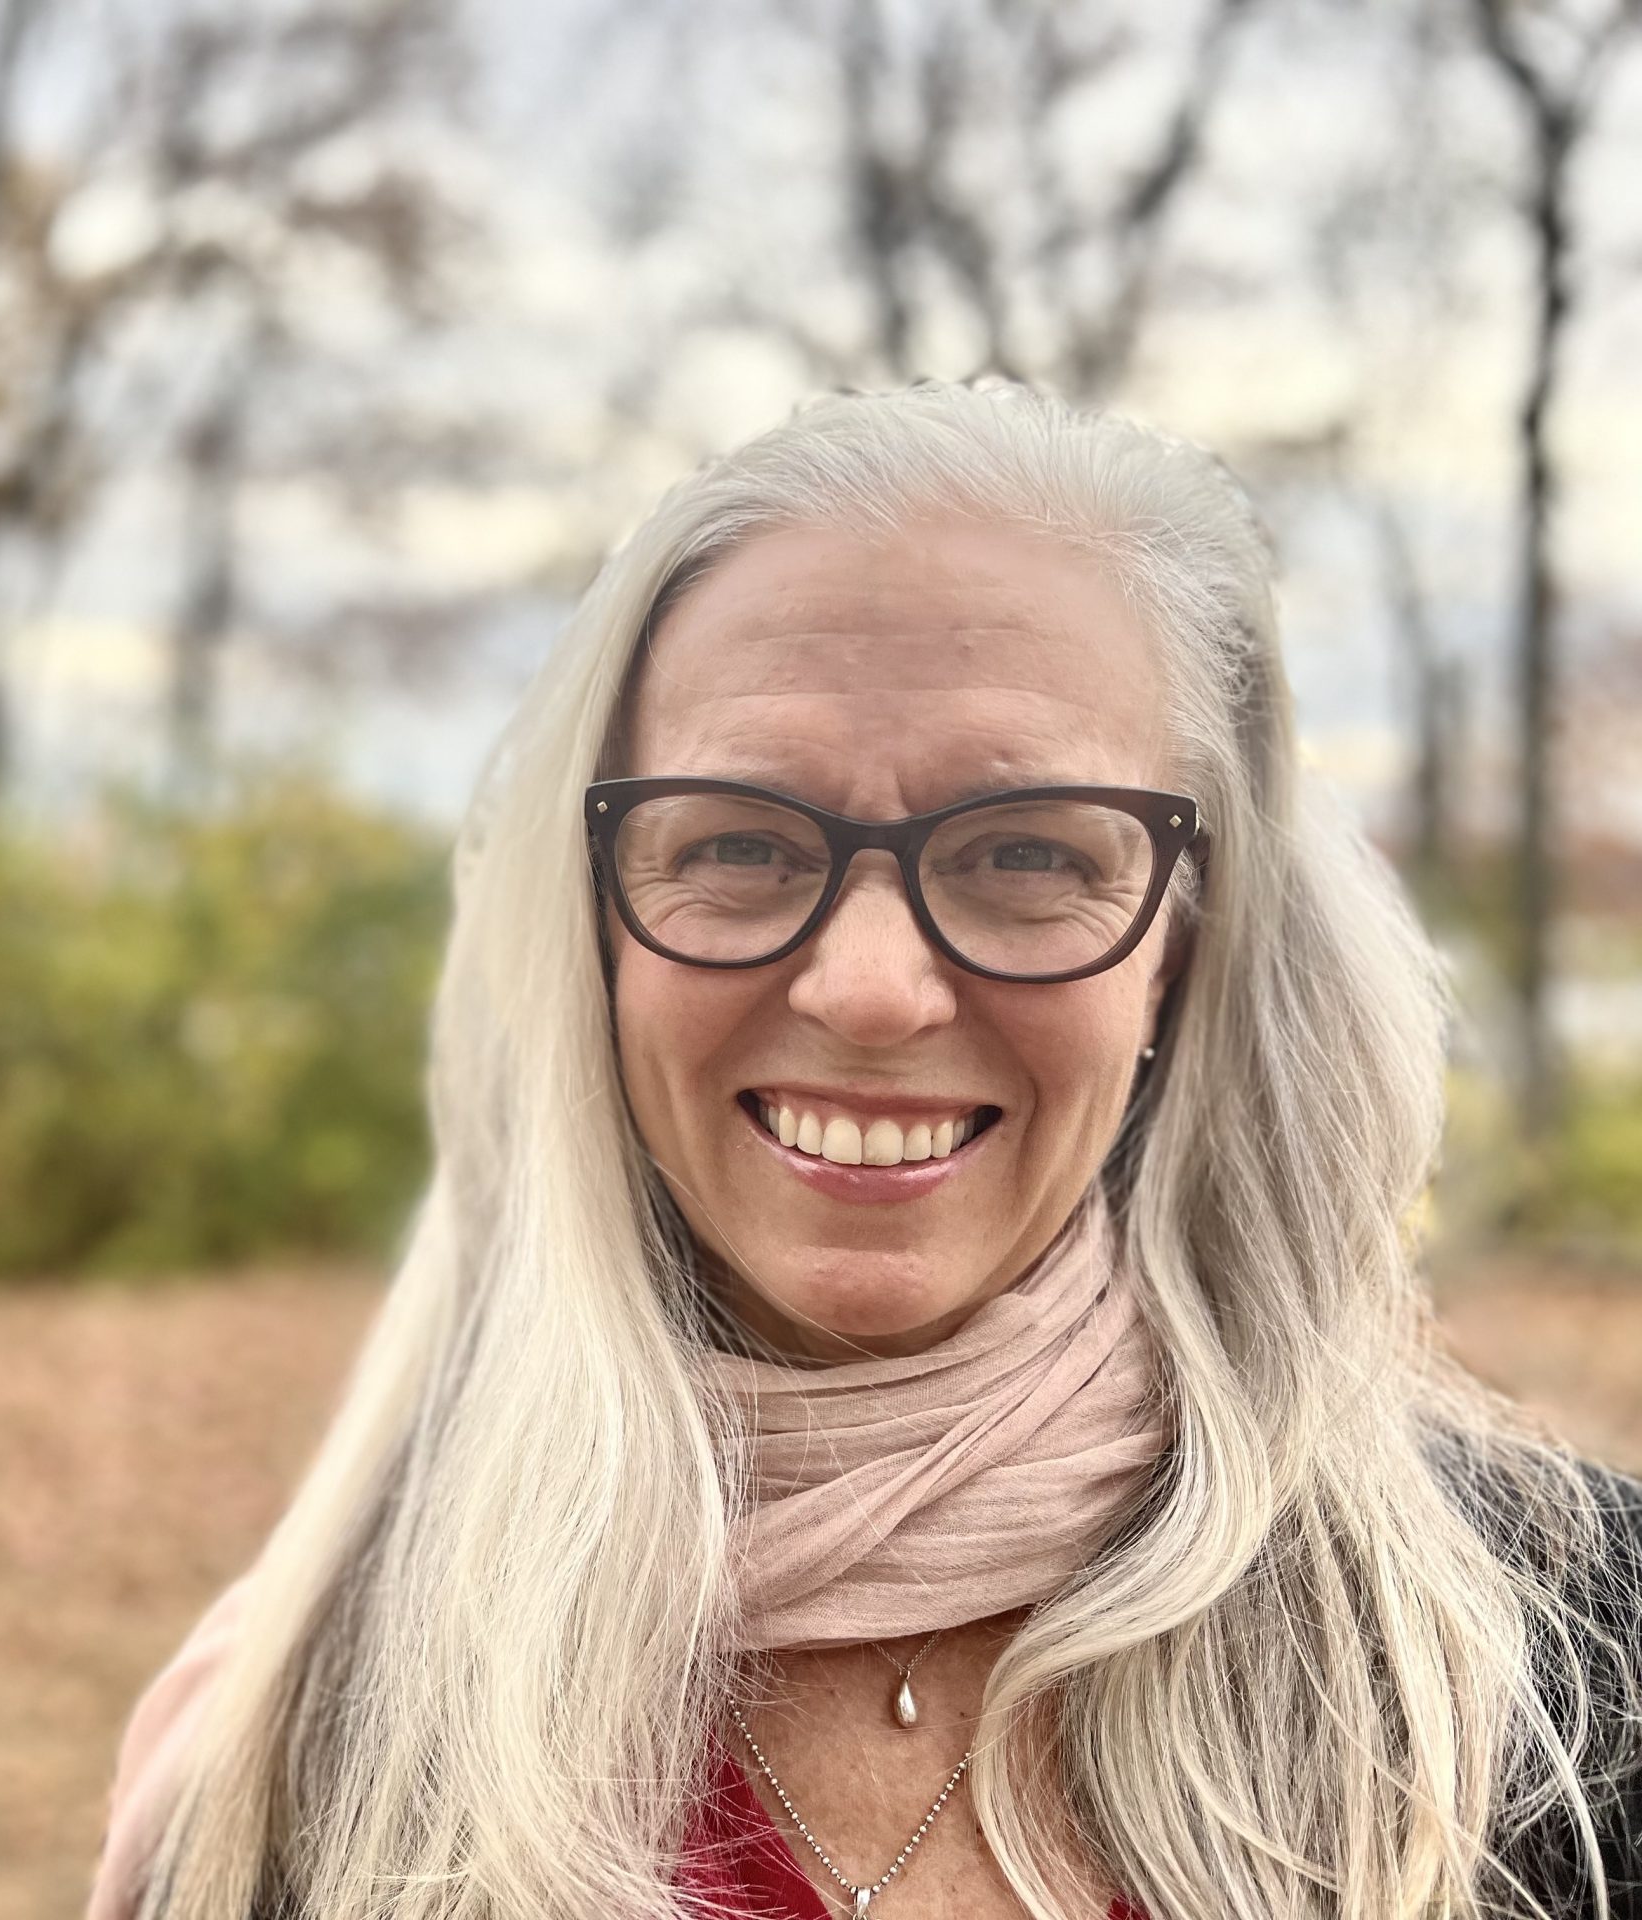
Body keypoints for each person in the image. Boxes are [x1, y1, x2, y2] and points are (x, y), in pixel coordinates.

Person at [82, 383, 1642, 1920]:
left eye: (1029, 851)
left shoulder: (1562, 1675)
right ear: (591, 935)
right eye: (741, 844)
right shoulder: (306, 1752)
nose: (873, 990)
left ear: (1187, 940)